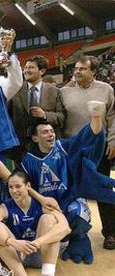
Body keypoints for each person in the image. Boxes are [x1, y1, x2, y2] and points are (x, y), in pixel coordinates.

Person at [20, 101, 112, 264]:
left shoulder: (64, 147)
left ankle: (79, 238)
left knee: (80, 211)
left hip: (68, 199)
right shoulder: (27, 160)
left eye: (52, 131)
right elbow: (23, 188)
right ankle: (53, 239)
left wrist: (96, 115)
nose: (51, 135)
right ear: (35, 138)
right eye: (45, 132)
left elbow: (89, 136)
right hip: (44, 206)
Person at [61, 55, 115, 250]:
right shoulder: (64, 91)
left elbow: (113, 117)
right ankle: (69, 232)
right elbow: (60, 119)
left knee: (102, 189)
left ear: (94, 71)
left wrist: (112, 140)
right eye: (76, 68)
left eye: (83, 68)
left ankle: (110, 232)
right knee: (69, 189)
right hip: (73, 149)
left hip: (98, 149)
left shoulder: (106, 89)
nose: (77, 71)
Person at [0, 171, 71, 276]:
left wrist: (37, 243)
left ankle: (48, 273)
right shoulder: (4, 208)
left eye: (18, 186)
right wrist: (13, 242)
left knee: (48, 219)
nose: (14, 191)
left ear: (28, 186)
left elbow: (65, 228)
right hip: (17, 254)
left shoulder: (42, 205)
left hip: (39, 253)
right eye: (10, 187)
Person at [9, 55, 65, 158]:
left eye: (31, 67)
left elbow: (61, 117)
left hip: (46, 146)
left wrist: (45, 115)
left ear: (42, 71)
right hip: (21, 147)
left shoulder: (54, 92)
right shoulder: (15, 90)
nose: (26, 70)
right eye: (25, 68)